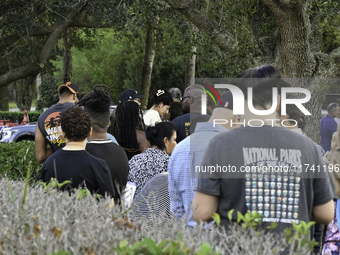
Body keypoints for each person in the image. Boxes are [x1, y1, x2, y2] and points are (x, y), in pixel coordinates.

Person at [192, 68, 334, 236]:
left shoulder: (220, 144)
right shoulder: (307, 147)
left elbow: (201, 213)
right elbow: (326, 213)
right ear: (277, 101)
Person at [168, 91, 240, 227]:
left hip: (188, 243)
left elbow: (176, 210)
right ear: (237, 117)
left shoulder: (179, 148)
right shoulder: (234, 149)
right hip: (222, 242)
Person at [40, 106, 115, 198]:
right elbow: (109, 206)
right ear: (90, 132)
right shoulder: (99, 166)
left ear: (62, 133)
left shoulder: (49, 163)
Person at [78, 85, 129, 203]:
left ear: (86, 122)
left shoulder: (83, 154)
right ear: (108, 122)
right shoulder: (120, 153)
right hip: (117, 218)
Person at [35, 82, 81, 164]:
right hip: (78, 164)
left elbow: (40, 157)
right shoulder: (79, 112)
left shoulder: (42, 117)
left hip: (56, 168)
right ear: (75, 96)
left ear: (59, 96)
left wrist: (56, 146)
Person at [128, 121, 177, 196]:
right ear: (166, 141)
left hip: (135, 206)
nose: (176, 144)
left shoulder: (135, 160)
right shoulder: (170, 164)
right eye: (174, 140)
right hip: (160, 207)